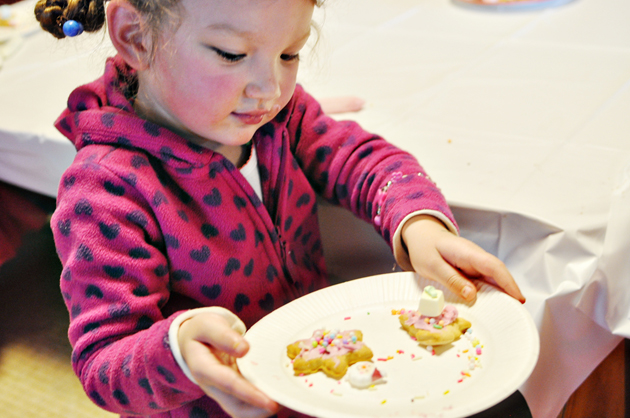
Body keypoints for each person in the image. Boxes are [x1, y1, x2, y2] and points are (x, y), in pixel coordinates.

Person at [34, 0, 525, 417]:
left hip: (319, 384)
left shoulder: (279, 119)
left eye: (290, 53)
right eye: (232, 55)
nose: (269, 88)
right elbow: (103, 363)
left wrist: (419, 223)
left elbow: (363, 160)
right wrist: (177, 347)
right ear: (136, 36)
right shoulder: (107, 191)